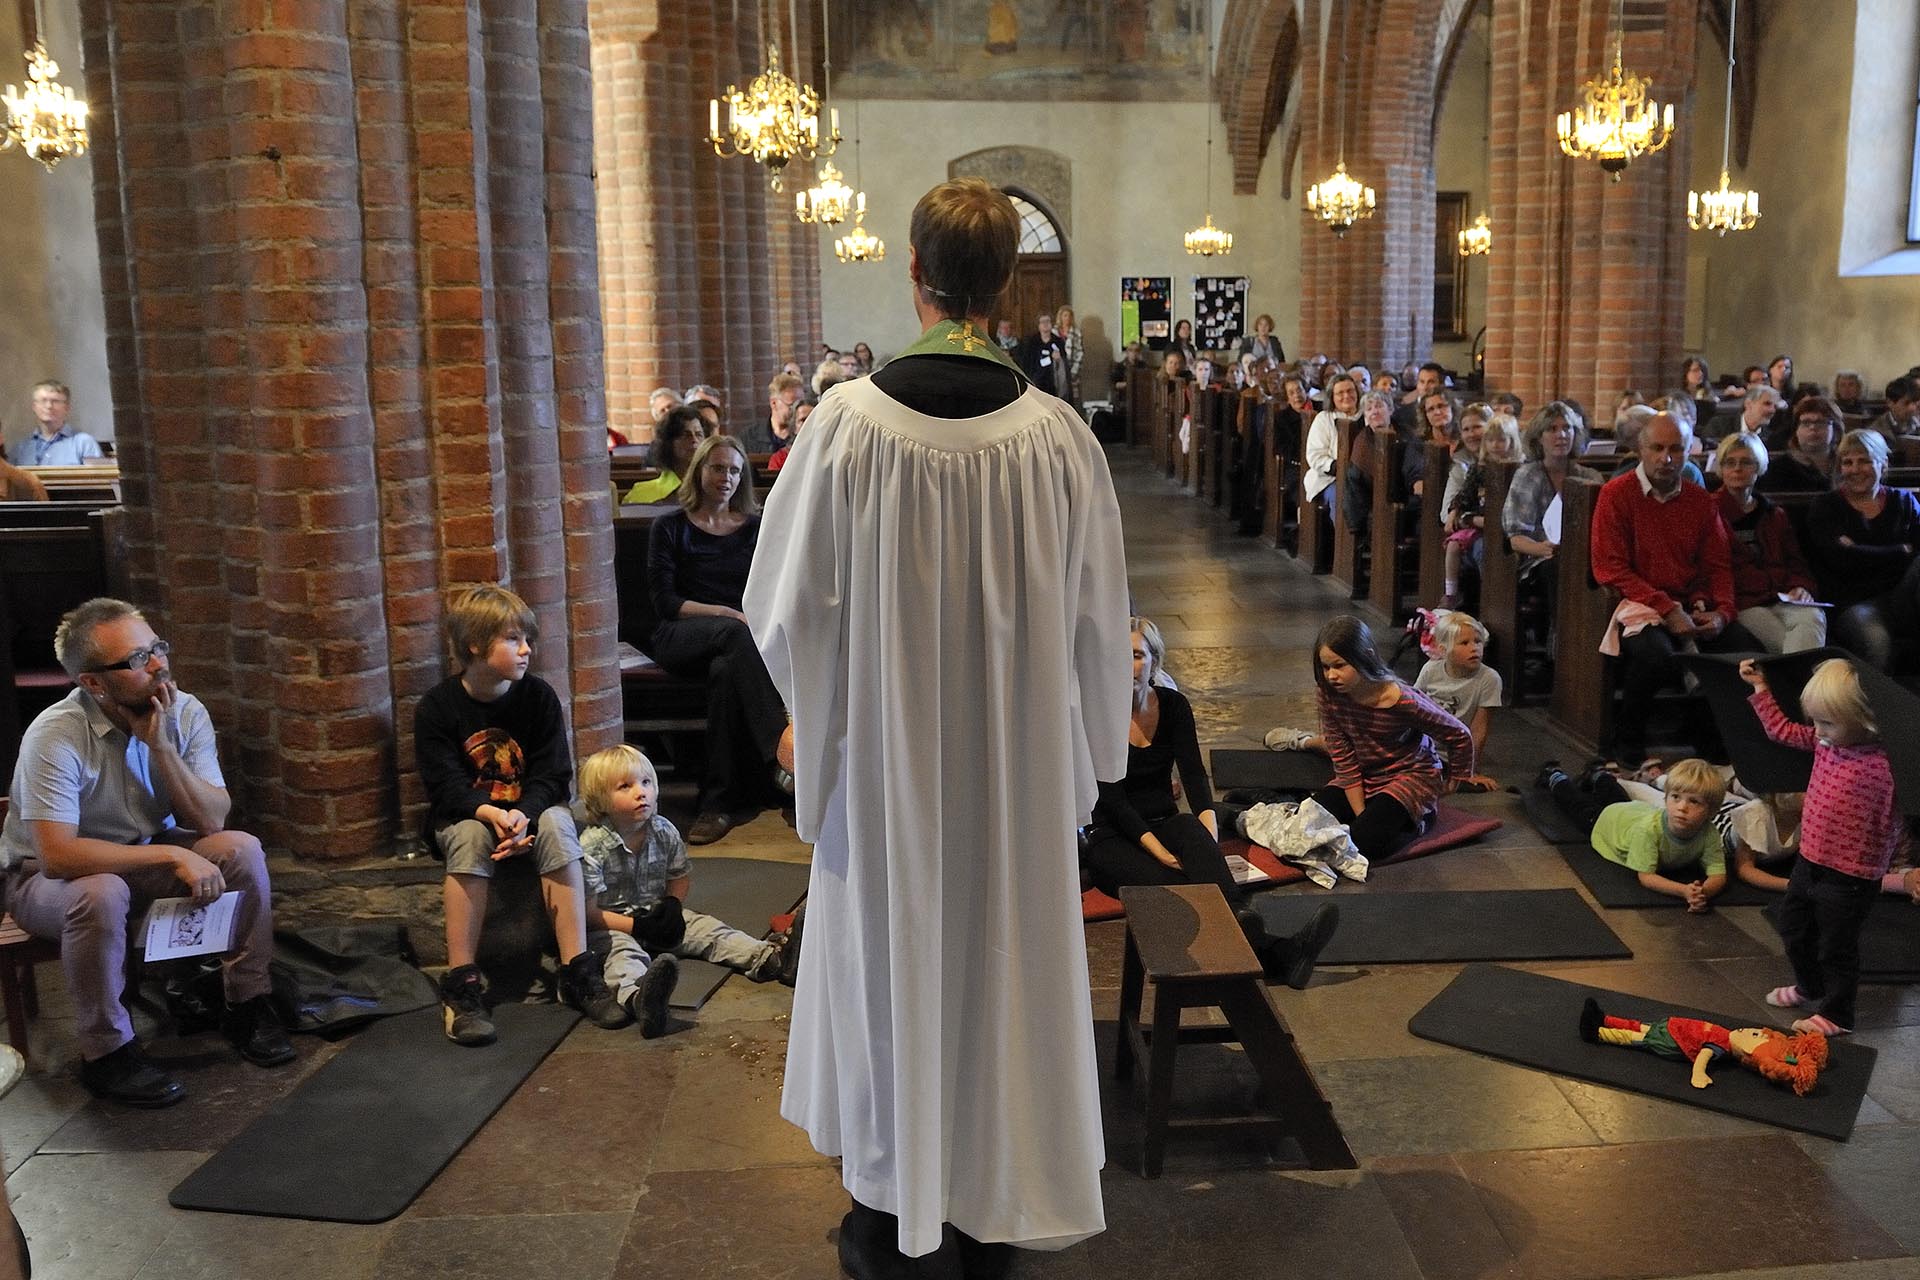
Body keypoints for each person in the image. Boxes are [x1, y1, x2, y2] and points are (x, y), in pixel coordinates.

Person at [744, 178, 1130, 1277]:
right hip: (1013, 779)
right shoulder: (1059, 438)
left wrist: (822, 737)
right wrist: (1091, 759)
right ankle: (988, 1193)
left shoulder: (844, 429)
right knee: (999, 974)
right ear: (1005, 285)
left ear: (911, 273)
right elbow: (1104, 622)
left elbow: (780, 609)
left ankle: (891, 1194)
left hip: (885, 776)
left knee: (891, 970)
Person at [0, 599, 292, 1106]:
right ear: (93, 683)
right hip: (43, 882)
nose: (158, 664)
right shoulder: (56, 734)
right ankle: (107, 1052)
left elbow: (210, 821)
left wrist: (161, 749)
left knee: (240, 849)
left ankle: (247, 1004)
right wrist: (170, 858)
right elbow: (57, 857)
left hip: (142, 849)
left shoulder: (184, 710)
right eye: (138, 659)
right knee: (102, 892)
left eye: (157, 647)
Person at [415, 584, 626, 1045]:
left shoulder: (539, 698)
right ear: (474, 643)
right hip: (469, 815)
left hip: (528, 815)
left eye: (526, 638)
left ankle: (576, 971)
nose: (526, 649)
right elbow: (444, 785)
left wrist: (524, 816)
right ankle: (463, 983)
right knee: (470, 835)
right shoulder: (438, 707)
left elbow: (554, 776)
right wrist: (489, 811)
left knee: (557, 819)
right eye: (513, 639)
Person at [1082, 618, 1338, 988]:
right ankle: (1278, 951)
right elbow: (1115, 801)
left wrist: (1208, 834)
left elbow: (1193, 775)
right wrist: (1161, 852)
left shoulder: (1172, 706)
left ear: (1155, 660)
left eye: (1137, 655)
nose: (1129, 666)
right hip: (1113, 837)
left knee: (1193, 833)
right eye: (1120, 656)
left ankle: (1250, 933)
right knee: (1178, 883)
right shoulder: (1098, 714)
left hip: (1164, 820)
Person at [576, 745, 802, 1038]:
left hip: (658, 913)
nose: (640, 792)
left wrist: (672, 904)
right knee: (623, 957)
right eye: (625, 786)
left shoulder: (663, 830)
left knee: (710, 931)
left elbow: (679, 876)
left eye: (646, 782)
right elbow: (588, 913)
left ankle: (771, 959)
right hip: (615, 925)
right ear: (600, 799)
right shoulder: (592, 846)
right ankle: (639, 998)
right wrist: (637, 926)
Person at [1740, 657, 1899, 1036]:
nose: (1818, 730)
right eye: (1815, 720)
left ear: (1867, 721)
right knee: (1794, 928)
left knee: (1836, 947)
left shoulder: (1888, 765)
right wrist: (1761, 689)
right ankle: (1810, 986)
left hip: (1852, 876)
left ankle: (1837, 1014)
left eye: (1827, 722)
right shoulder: (1826, 742)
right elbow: (1782, 731)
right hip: (1809, 860)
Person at [1589, 412, 1755, 765]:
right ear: (1640, 450)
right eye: (1658, 448)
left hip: (1693, 602)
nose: (1667, 458)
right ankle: (1628, 736)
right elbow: (1609, 567)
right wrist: (1666, 607)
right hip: (1640, 601)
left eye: (1676, 449)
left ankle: (1707, 732)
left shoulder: (1699, 500)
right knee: (1656, 656)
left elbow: (1718, 565)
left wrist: (1723, 613)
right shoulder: (1616, 495)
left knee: (1744, 650)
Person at [646, 435, 788, 845]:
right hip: (681, 634)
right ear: (699, 471)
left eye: (733, 470)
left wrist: (749, 623)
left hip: (742, 643)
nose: (725, 477)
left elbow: (773, 587)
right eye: (717, 468)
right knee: (731, 638)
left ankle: (718, 803)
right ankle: (777, 748)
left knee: (726, 672)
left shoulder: (754, 529)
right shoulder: (670, 526)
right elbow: (665, 602)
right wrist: (728, 614)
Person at [1306, 615, 1475, 862]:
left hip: (1409, 774)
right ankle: (1374, 817)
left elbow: (1458, 733)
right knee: (1308, 821)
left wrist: (1455, 778)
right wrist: (1361, 812)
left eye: (1340, 665)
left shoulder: (1402, 700)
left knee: (1362, 846)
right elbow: (1344, 759)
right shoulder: (1329, 694)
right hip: (1366, 774)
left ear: (1366, 656)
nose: (1331, 675)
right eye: (1325, 667)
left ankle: (1421, 819)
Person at [1536, 757, 1729, 910]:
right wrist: (1684, 891)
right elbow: (1646, 877)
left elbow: (1718, 874)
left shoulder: (1709, 833)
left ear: (1711, 811)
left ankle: (1598, 774)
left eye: (1694, 802)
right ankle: (1555, 775)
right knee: (1577, 804)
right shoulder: (1648, 831)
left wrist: (1701, 893)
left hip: (1632, 812)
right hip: (1609, 822)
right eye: (1676, 798)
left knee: (1617, 795)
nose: (1682, 808)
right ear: (1666, 797)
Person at [1803, 429, 1920, 670]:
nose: (1855, 470)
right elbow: (1841, 561)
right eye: (1848, 462)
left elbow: (1916, 552)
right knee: (1877, 641)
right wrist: (1901, 550)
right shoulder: (1827, 506)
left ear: (1882, 463)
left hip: (1903, 597)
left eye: (1865, 461)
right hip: (1852, 602)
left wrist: (1858, 549)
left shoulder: (1904, 502)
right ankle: (1876, 706)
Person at [1713, 434, 1826, 653]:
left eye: (1746, 462)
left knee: (1813, 616)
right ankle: (1803, 684)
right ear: (1721, 468)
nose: (1737, 469)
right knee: (1789, 644)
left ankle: (1792, 683)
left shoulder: (1774, 514)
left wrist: (1800, 586)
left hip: (1784, 595)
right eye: (1730, 462)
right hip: (1744, 602)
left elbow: (1795, 561)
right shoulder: (1710, 512)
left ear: (1759, 468)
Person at [1504, 400, 1603, 579]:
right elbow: (1516, 538)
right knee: (1558, 567)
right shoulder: (1529, 476)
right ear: (1539, 437)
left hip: (1582, 555)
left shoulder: (1589, 477)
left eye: (1567, 428)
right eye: (1552, 429)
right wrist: (1542, 548)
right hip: (1538, 560)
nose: (1562, 435)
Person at [1413, 612, 1502, 789]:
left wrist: (1470, 771)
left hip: (1453, 754)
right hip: (1423, 748)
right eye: (1464, 643)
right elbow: (1413, 707)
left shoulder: (1489, 679)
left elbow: (1479, 730)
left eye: (1478, 641)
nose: (1474, 648)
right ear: (1443, 649)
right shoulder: (1431, 669)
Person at [621, 404, 706, 505]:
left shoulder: (714, 489)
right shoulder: (642, 493)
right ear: (669, 443)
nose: (694, 440)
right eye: (685, 435)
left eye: (699, 434)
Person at [1756, 395, 1840, 493]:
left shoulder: (1848, 464)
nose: (1813, 428)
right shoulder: (1777, 469)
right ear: (1796, 430)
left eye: (1820, 422)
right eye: (1806, 422)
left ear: (1836, 429)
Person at [9, 381, 104, 467]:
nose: (49, 406)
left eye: (55, 401)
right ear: (34, 407)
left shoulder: (83, 443)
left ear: (66, 408)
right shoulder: (21, 448)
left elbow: (100, 480)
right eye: (43, 401)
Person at [1303, 371, 1358, 510]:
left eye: (1350, 391)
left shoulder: (1366, 415)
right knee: (1341, 496)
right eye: (1340, 393)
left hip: (1360, 477)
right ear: (1332, 397)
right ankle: (1343, 532)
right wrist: (1338, 467)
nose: (1346, 396)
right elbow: (1315, 455)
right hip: (1329, 478)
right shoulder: (1324, 419)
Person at [1019, 312, 1069, 398]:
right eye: (1042, 322)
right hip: (1036, 381)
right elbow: (1027, 363)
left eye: (1048, 321)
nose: (1045, 324)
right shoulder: (1031, 342)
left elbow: (1064, 364)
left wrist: (1058, 359)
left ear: (1052, 324)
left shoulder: (1058, 342)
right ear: (1038, 325)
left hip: (1054, 383)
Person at [754, 371, 805, 456]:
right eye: (792, 406)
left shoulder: (806, 435)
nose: (798, 411)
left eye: (800, 405)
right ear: (774, 403)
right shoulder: (750, 438)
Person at [1866, 375, 1919, 446]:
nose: (1912, 408)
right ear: (1890, 403)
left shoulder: (1917, 422)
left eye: (1915, 402)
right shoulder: (1876, 431)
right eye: (1906, 403)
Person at [1054, 305, 1084, 409]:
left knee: (1074, 399)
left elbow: (1080, 352)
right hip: (1058, 370)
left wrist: (1074, 370)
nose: (1067, 318)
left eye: (1069, 316)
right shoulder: (1054, 332)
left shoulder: (1076, 332)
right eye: (1065, 315)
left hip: (1072, 369)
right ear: (1060, 317)